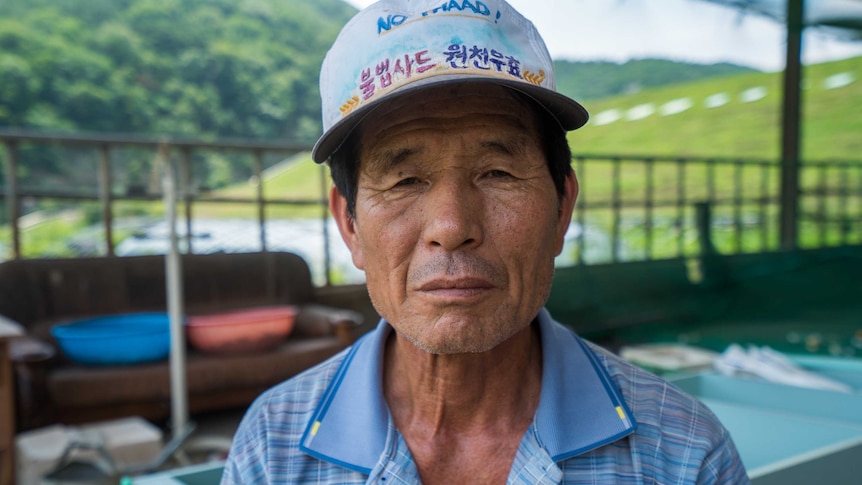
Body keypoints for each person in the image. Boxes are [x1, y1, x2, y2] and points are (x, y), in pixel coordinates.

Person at [222, 0, 750, 483]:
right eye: (405, 181)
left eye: (497, 172)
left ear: (562, 209)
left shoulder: (682, 455)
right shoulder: (274, 448)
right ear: (351, 225)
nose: (452, 227)